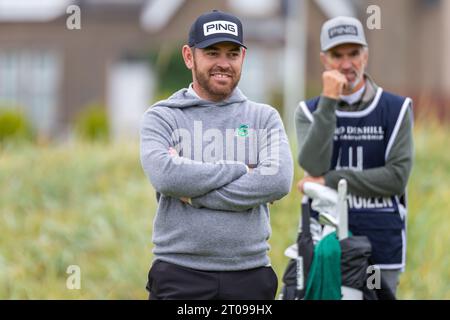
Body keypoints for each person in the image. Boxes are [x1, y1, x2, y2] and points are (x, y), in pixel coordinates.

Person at [140, 10, 293, 300]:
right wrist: (242, 170)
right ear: (189, 56)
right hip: (180, 276)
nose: (224, 63)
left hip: (251, 276)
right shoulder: (162, 117)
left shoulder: (264, 117)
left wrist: (194, 192)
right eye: (212, 52)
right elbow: (167, 176)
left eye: (232, 54)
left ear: (243, 58)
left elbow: (278, 181)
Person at [295, 16, 414, 297]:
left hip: (380, 243)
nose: (347, 64)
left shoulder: (396, 109)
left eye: (354, 54)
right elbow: (312, 164)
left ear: (366, 55)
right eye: (337, 55)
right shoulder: (308, 111)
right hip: (325, 242)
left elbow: (395, 178)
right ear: (325, 60)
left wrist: (329, 180)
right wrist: (328, 103)